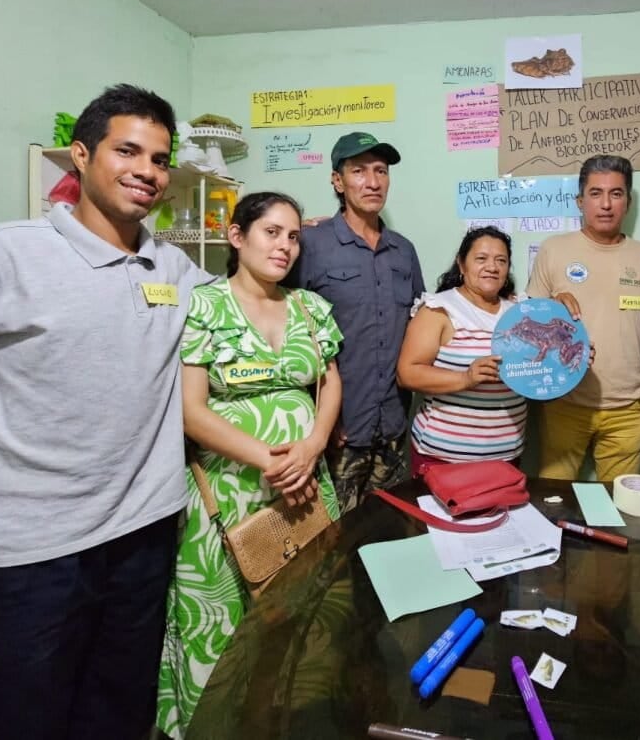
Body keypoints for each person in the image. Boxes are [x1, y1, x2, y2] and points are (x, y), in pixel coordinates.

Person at [0, 84, 207, 739]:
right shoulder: (1, 255)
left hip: (142, 532)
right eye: (128, 150)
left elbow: (239, 326)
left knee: (117, 712)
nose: (147, 170)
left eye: (161, 159)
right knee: (23, 718)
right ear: (81, 156)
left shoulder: (175, 267)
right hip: (30, 550)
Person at [157, 191, 343, 738]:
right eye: (271, 232)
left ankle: (282, 720)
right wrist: (269, 458)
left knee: (300, 616)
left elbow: (329, 384)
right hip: (230, 493)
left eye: (292, 236)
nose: (285, 246)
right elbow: (191, 411)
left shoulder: (310, 308)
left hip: (307, 488)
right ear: (237, 237)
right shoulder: (203, 306)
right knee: (222, 627)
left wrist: (311, 446)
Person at [288, 131, 424, 513]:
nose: (373, 181)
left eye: (380, 171)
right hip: (338, 433)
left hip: (394, 427)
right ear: (337, 180)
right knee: (333, 546)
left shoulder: (404, 251)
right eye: (359, 171)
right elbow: (289, 335)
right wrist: (319, 424)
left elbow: (419, 327)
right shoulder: (311, 244)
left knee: (392, 533)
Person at [526, 155, 640, 482]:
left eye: (616, 194)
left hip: (627, 409)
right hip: (565, 403)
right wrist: (553, 307)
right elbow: (527, 329)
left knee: (620, 509)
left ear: (628, 202)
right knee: (554, 500)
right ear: (580, 201)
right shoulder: (553, 249)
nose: (605, 204)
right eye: (596, 193)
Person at [397, 226, 527, 473]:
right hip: (444, 457)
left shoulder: (520, 310)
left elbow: (540, 366)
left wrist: (571, 357)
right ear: (461, 264)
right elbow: (407, 373)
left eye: (501, 260)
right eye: (481, 259)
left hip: (507, 455)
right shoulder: (439, 308)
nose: (492, 267)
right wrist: (465, 378)